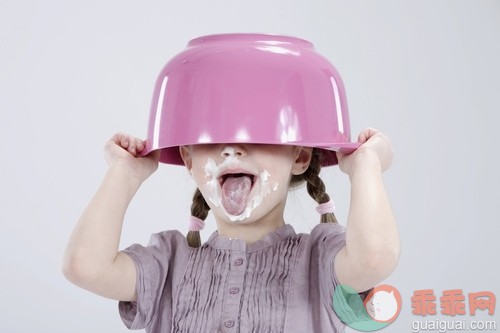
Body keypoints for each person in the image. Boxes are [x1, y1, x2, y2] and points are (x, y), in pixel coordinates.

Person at [62, 34, 400, 332]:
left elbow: (374, 258)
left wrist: (366, 167)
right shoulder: (168, 262)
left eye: (258, 133)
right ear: (188, 159)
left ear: (299, 157)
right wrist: (124, 173)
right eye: (214, 136)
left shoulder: (320, 261)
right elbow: (84, 267)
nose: (231, 148)